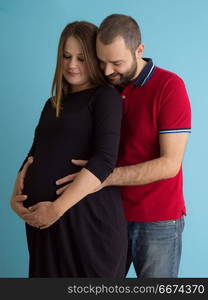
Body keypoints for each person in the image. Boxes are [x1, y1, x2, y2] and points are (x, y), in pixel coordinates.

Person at [52, 14, 192, 278]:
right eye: (101, 62)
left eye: (116, 63)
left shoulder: (169, 87)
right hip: (106, 215)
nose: (107, 71)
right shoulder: (105, 88)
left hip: (157, 218)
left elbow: (170, 164)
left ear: (139, 50)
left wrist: (103, 178)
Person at [10, 21, 128, 278]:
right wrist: (15, 195)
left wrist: (57, 208)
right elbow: (36, 151)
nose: (72, 64)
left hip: (87, 223)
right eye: (66, 56)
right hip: (45, 225)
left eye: (81, 58)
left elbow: (105, 160)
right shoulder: (52, 103)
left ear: (96, 60)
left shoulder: (105, 97)